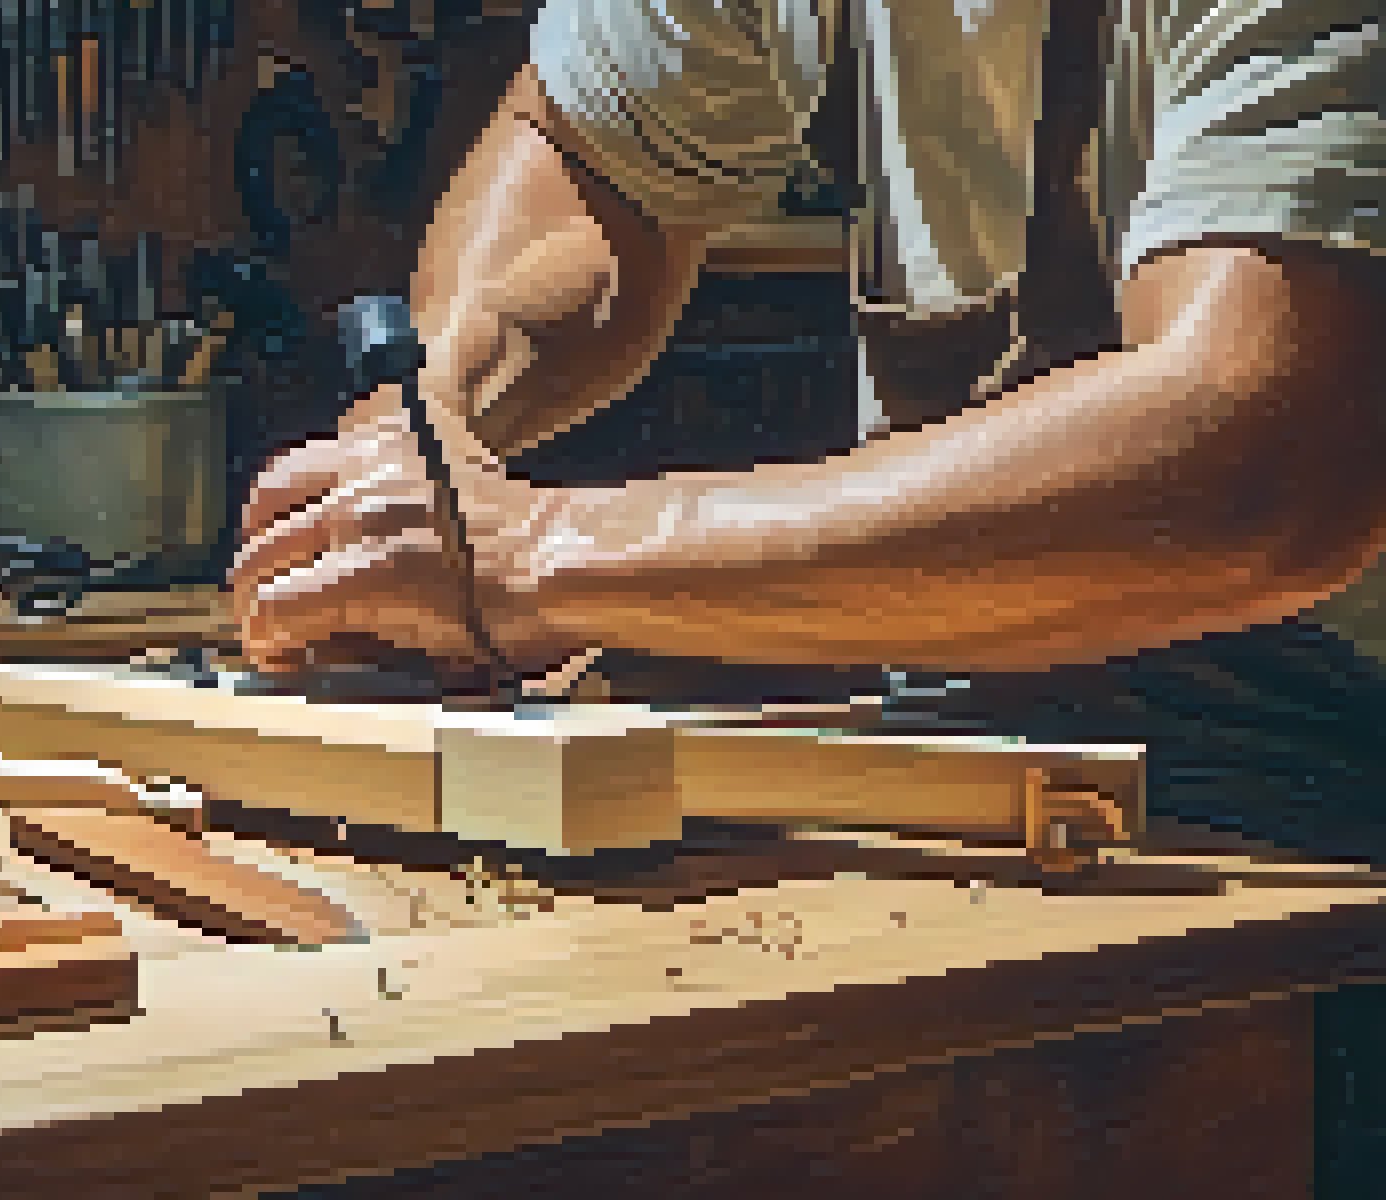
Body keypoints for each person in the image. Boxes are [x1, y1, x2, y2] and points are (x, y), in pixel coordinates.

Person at [231, 0, 1386, 849]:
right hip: (1004, 720)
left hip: (1338, 754)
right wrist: (426, 422)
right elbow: (592, 163)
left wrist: (533, 556)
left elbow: (1262, 461)